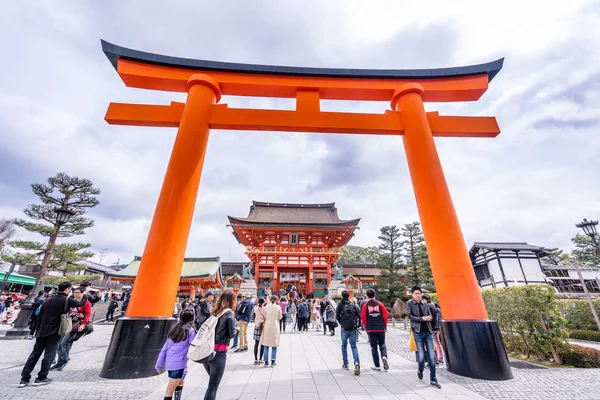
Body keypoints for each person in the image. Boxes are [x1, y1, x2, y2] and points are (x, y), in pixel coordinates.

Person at [19, 281, 88, 388]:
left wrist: (37, 331)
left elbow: (39, 317)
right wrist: (84, 294)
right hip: (54, 332)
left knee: (34, 355)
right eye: (69, 289)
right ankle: (41, 377)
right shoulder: (66, 299)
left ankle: (24, 378)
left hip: (41, 331)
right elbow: (81, 304)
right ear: (66, 289)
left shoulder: (47, 301)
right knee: (49, 355)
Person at [202, 290, 237, 400]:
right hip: (219, 353)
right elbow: (231, 334)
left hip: (207, 352)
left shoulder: (215, 312)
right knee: (212, 388)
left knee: (212, 385)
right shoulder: (229, 313)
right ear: (231, 300)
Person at [156, 309, 196, 400]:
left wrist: (159, 364)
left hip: (171, 364)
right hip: (179, 364)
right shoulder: (190, 331)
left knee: (180, 382)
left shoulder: (175, 329)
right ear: (192, 319)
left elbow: (164, 349)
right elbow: (193, 345)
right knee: (169, 391)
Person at [407, 286, 441, 389]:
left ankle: (433, 379)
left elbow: (431, 316)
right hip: (418, 332)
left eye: (419, 293)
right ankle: (420, 369)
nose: (418, 295)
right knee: (421, 356)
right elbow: (410, 316)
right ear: (412, 294)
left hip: (428, 332)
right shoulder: (409, 304)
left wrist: (429, 318)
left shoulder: (425, 304)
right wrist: (422, 318)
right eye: (416, 293)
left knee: (432, 357)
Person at [52, 286, 92, 370]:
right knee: (60, 343)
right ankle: (60, 361)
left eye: (77, 292)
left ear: (82, 293)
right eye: (75, 292)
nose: (76, 294)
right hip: (67, 322)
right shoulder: (72, 300)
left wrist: (83, 324)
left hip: (76, 324)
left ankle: (65, 360)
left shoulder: (86, 303)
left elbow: (87, 314)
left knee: (64, 342)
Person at [361, 288, 389, 372]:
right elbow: (385, 315)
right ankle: (384, 356)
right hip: (380, 327)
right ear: (374, 294)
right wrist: (384, 324)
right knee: (382, 343)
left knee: (374, 347)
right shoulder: (380, 304)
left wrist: (366, 326)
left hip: (371, 328)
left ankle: (377, 365)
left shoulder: (366, 305)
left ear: (367, 295)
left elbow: (363, 317)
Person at [336, 290, 361, 375]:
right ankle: (356, 362)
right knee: (354, 346)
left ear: (342, 296)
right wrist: (357, 324)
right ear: (349, 296)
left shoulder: (340, 304)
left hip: (344, 327)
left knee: (344, 345)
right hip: (353, 327)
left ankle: (345, 363)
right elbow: (358, 315)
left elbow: (337, 316)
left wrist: (341, 323)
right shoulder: (353, 304)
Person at [260, 295, 283, 367]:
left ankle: (266, 361)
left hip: (267, 325)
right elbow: (280, 317)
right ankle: (273, 361)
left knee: (266, 344)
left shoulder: (266, 307)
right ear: (276, 300)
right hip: (275, 326)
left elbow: (264, 316)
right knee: (274, 344)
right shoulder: (278, 307)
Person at [422, 294, 442, 365]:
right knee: (437, 342)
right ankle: (440, 357)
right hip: (436, 327)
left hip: (431, 327)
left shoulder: (427, 306)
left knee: (432, 343)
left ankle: (434, 358)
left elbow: (429, 318)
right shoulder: (434, 305)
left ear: (425, 299)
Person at [253, 297, 266, 364]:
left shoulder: (255, 308)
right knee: (262, 344)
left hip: (257, 325)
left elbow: (254, 315)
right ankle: (261, 358)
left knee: (256, 343)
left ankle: (255, 358)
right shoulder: (264, 309)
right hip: (263, 326)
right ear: (263, 302)